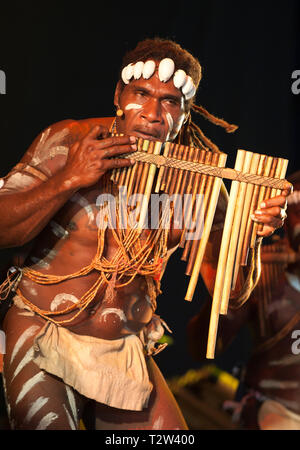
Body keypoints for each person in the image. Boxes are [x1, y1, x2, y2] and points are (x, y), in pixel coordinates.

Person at [0, 38, 289, 430]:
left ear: (186, 115)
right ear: (119, 94)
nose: (153, 114)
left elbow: (232, 293)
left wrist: (249, 235)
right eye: (142, 93)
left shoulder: (197, 183)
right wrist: (70, 178)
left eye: (170, 101)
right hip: (43, 329)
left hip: (125, 347)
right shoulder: (68, 141)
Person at [187, 171, 300, 430]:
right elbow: (202, 348)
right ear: (286, 218)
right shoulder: (263, 273)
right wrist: (227, 290)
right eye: (298, 211)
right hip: (276, 415)